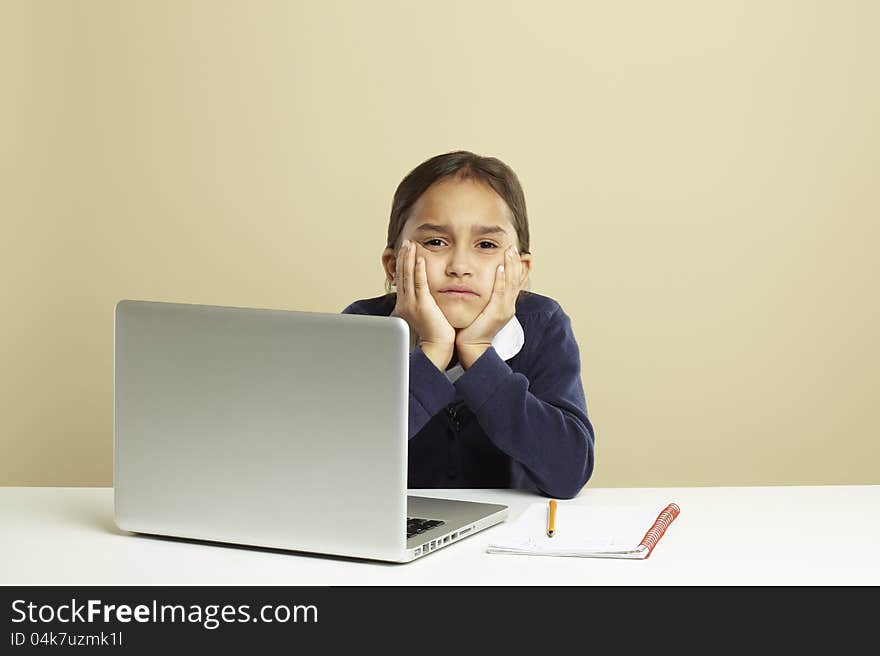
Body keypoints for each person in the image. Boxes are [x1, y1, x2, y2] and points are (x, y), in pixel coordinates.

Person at [342, 150, 595, 499]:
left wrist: (478, 355)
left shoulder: (542, 325)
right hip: (395, 531)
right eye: (435, 242)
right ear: (392, 266)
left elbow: (569, 471)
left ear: (521, 272)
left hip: (511, 540)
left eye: (486, 244)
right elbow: (339, 463)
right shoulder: (364, 327)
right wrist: (431, 351)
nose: (460, 265)